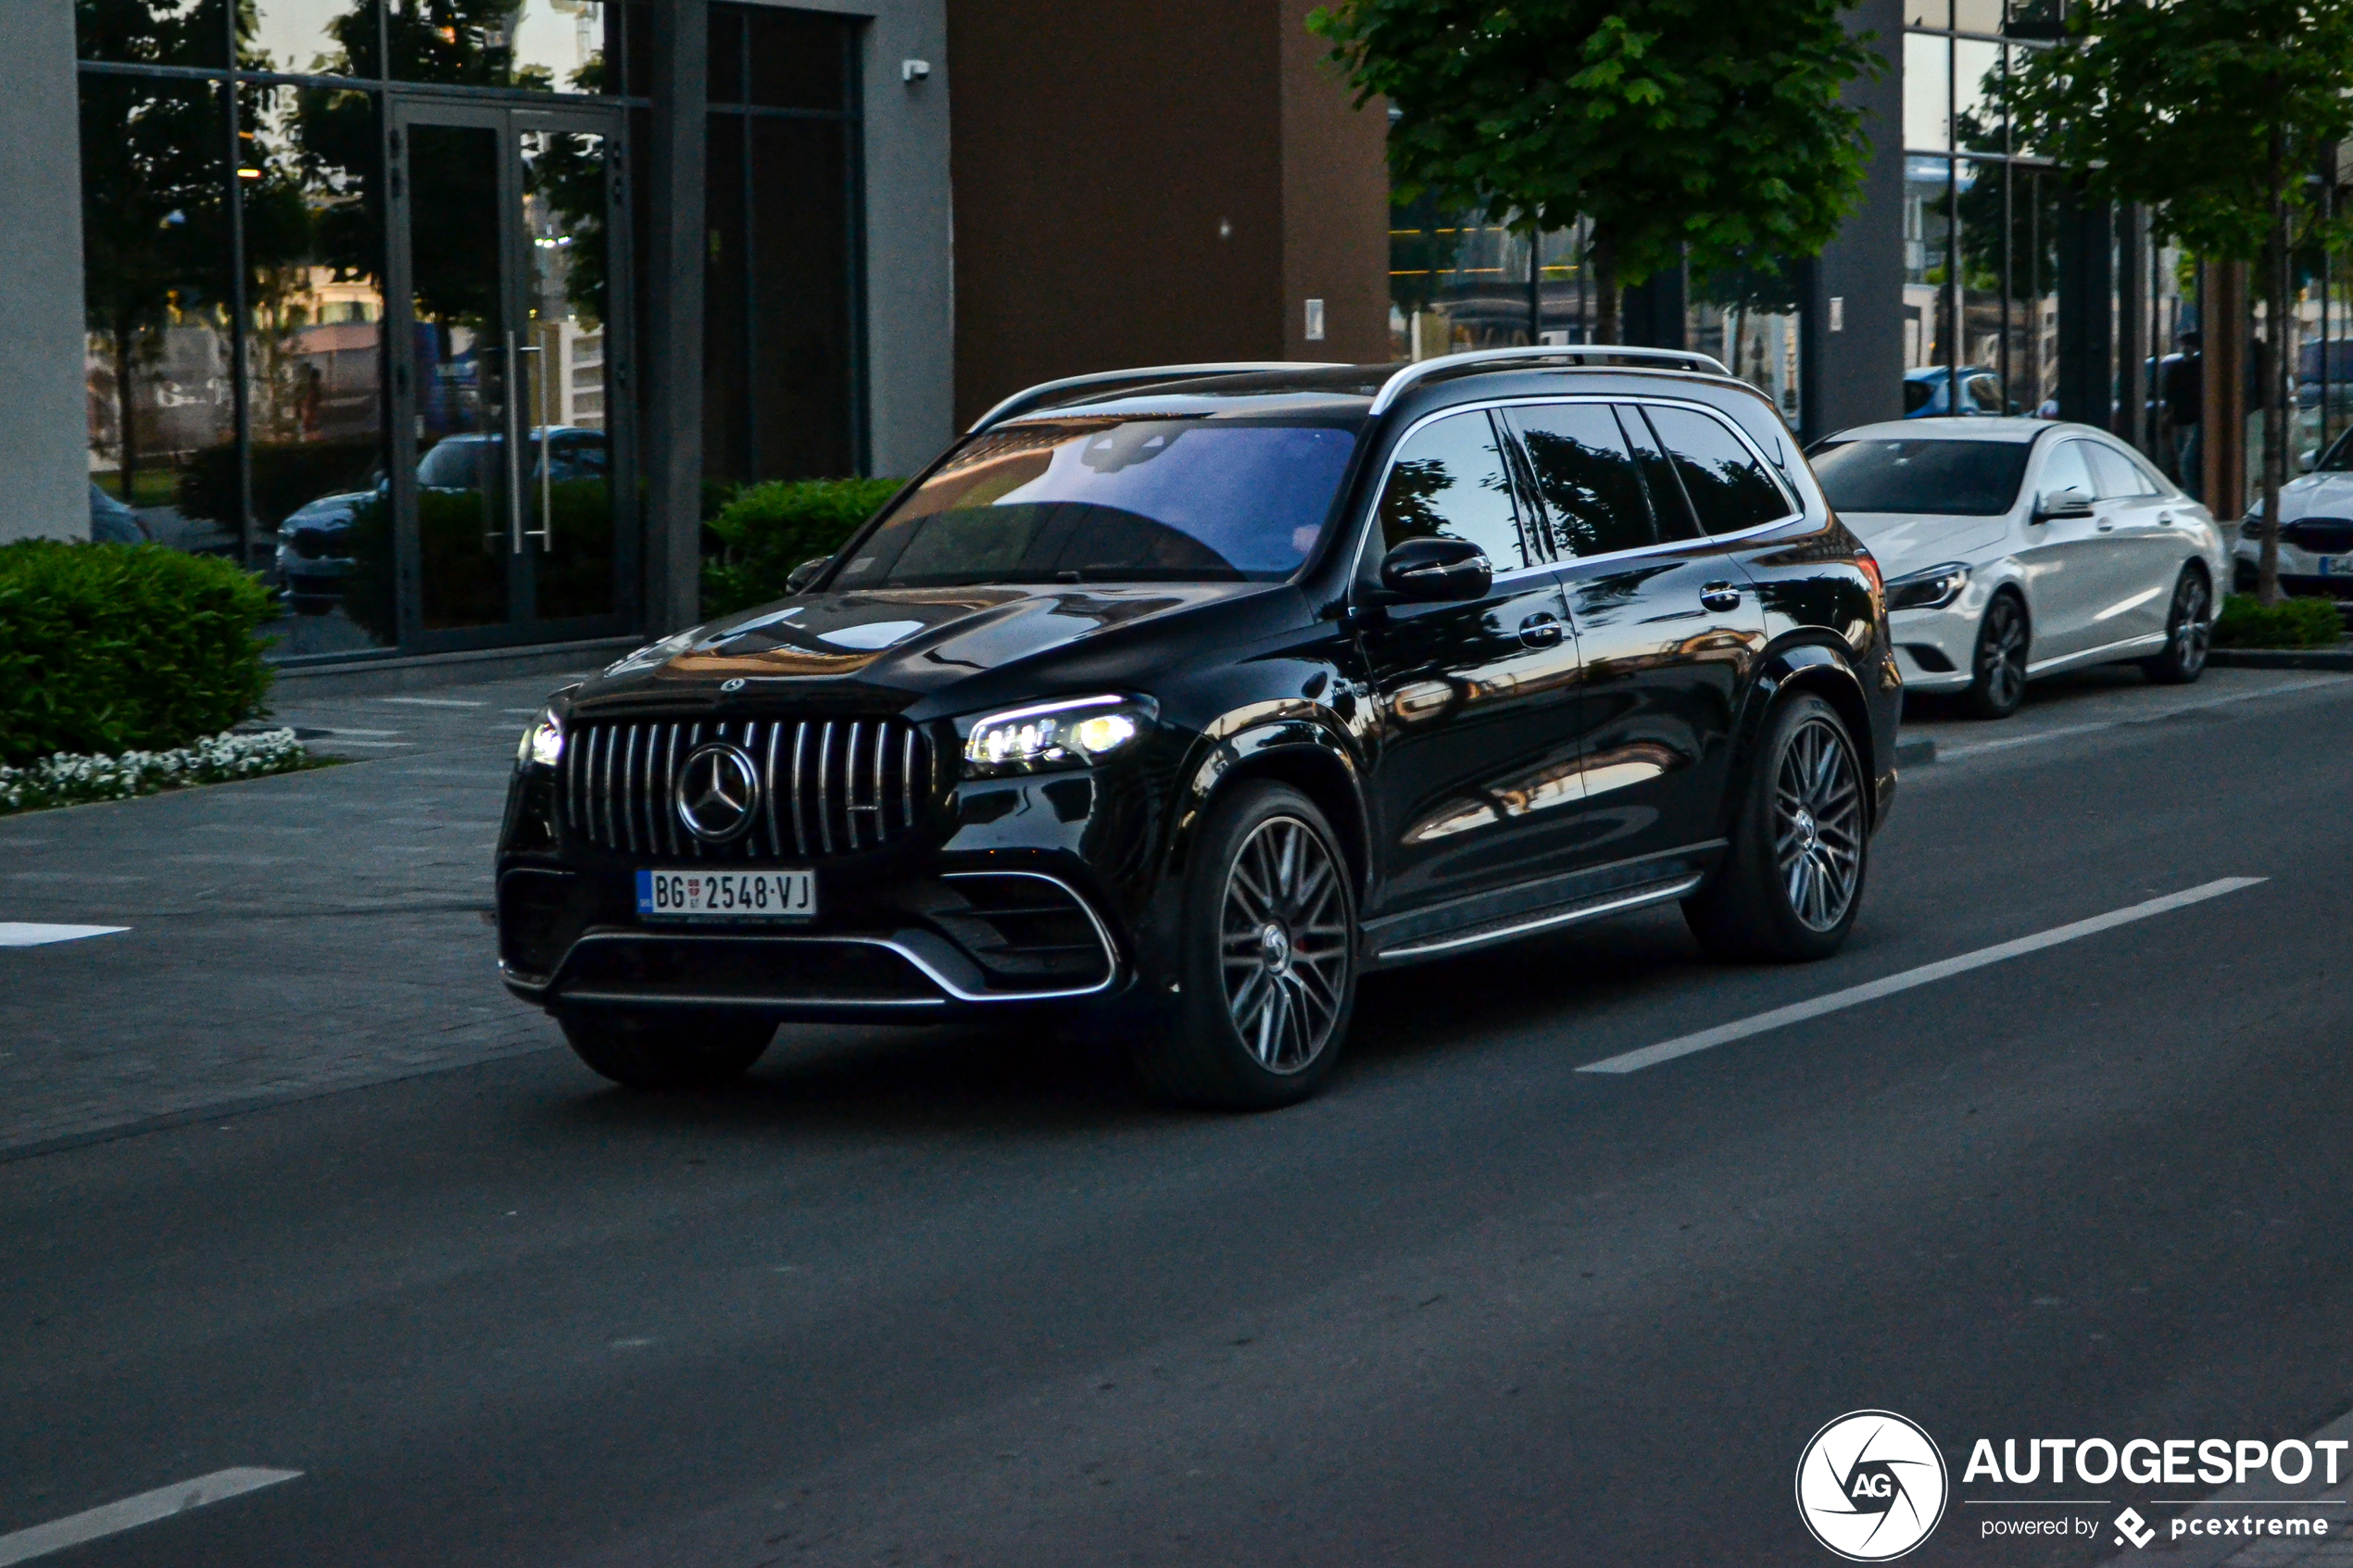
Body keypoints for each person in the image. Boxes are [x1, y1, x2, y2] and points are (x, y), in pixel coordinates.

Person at [2161, 331, 2203, 492]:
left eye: (2190, 345)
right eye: (2184, 345)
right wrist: (2168, 416)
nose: (2186, 348)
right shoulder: (2176, 368)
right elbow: (2169, 395)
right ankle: (2190, 490)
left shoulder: (2200, 368)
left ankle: (2192, 494)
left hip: (2196, 421)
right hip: (2179, 421)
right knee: (2183, 461)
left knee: (2187, 461)